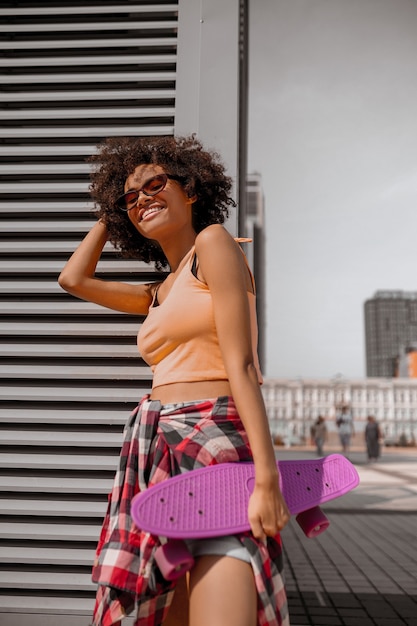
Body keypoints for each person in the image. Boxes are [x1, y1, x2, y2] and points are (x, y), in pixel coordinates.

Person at [58, 135, 290, 626]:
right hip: (154, 446)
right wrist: (113, 211)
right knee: (164, 610)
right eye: (131, 195)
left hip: (212, 434)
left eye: (156, 184)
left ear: (191, 190)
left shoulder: (213, 243)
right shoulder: (160, 290)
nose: (143, 198)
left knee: (225, 573)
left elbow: (243, 364)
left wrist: (267, 478)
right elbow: (73, 280)